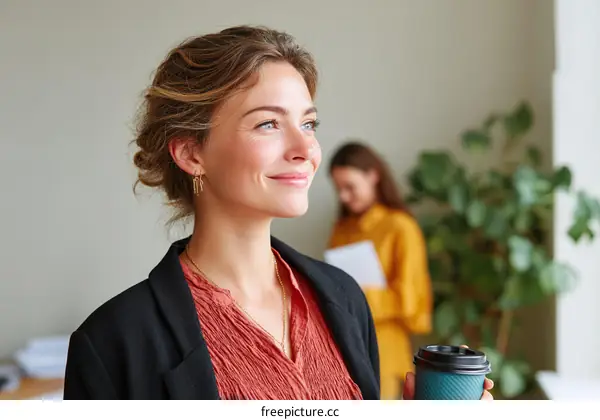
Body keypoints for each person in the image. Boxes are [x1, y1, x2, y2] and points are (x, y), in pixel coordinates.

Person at [63, 25, 493, 400]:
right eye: (269, 124)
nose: (306, 150)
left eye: (308, 124)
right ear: (192, 153)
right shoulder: (112, 342)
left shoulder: (343, 298)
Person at [327, 142, 433, 400]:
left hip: (385, 351)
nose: (343, 196)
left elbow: (408, 301)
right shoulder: (342, 229)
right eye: (339, 189)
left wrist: (353, 295)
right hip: (343, 347)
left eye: (350, 187)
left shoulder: (400, 227)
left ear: (373, 176)